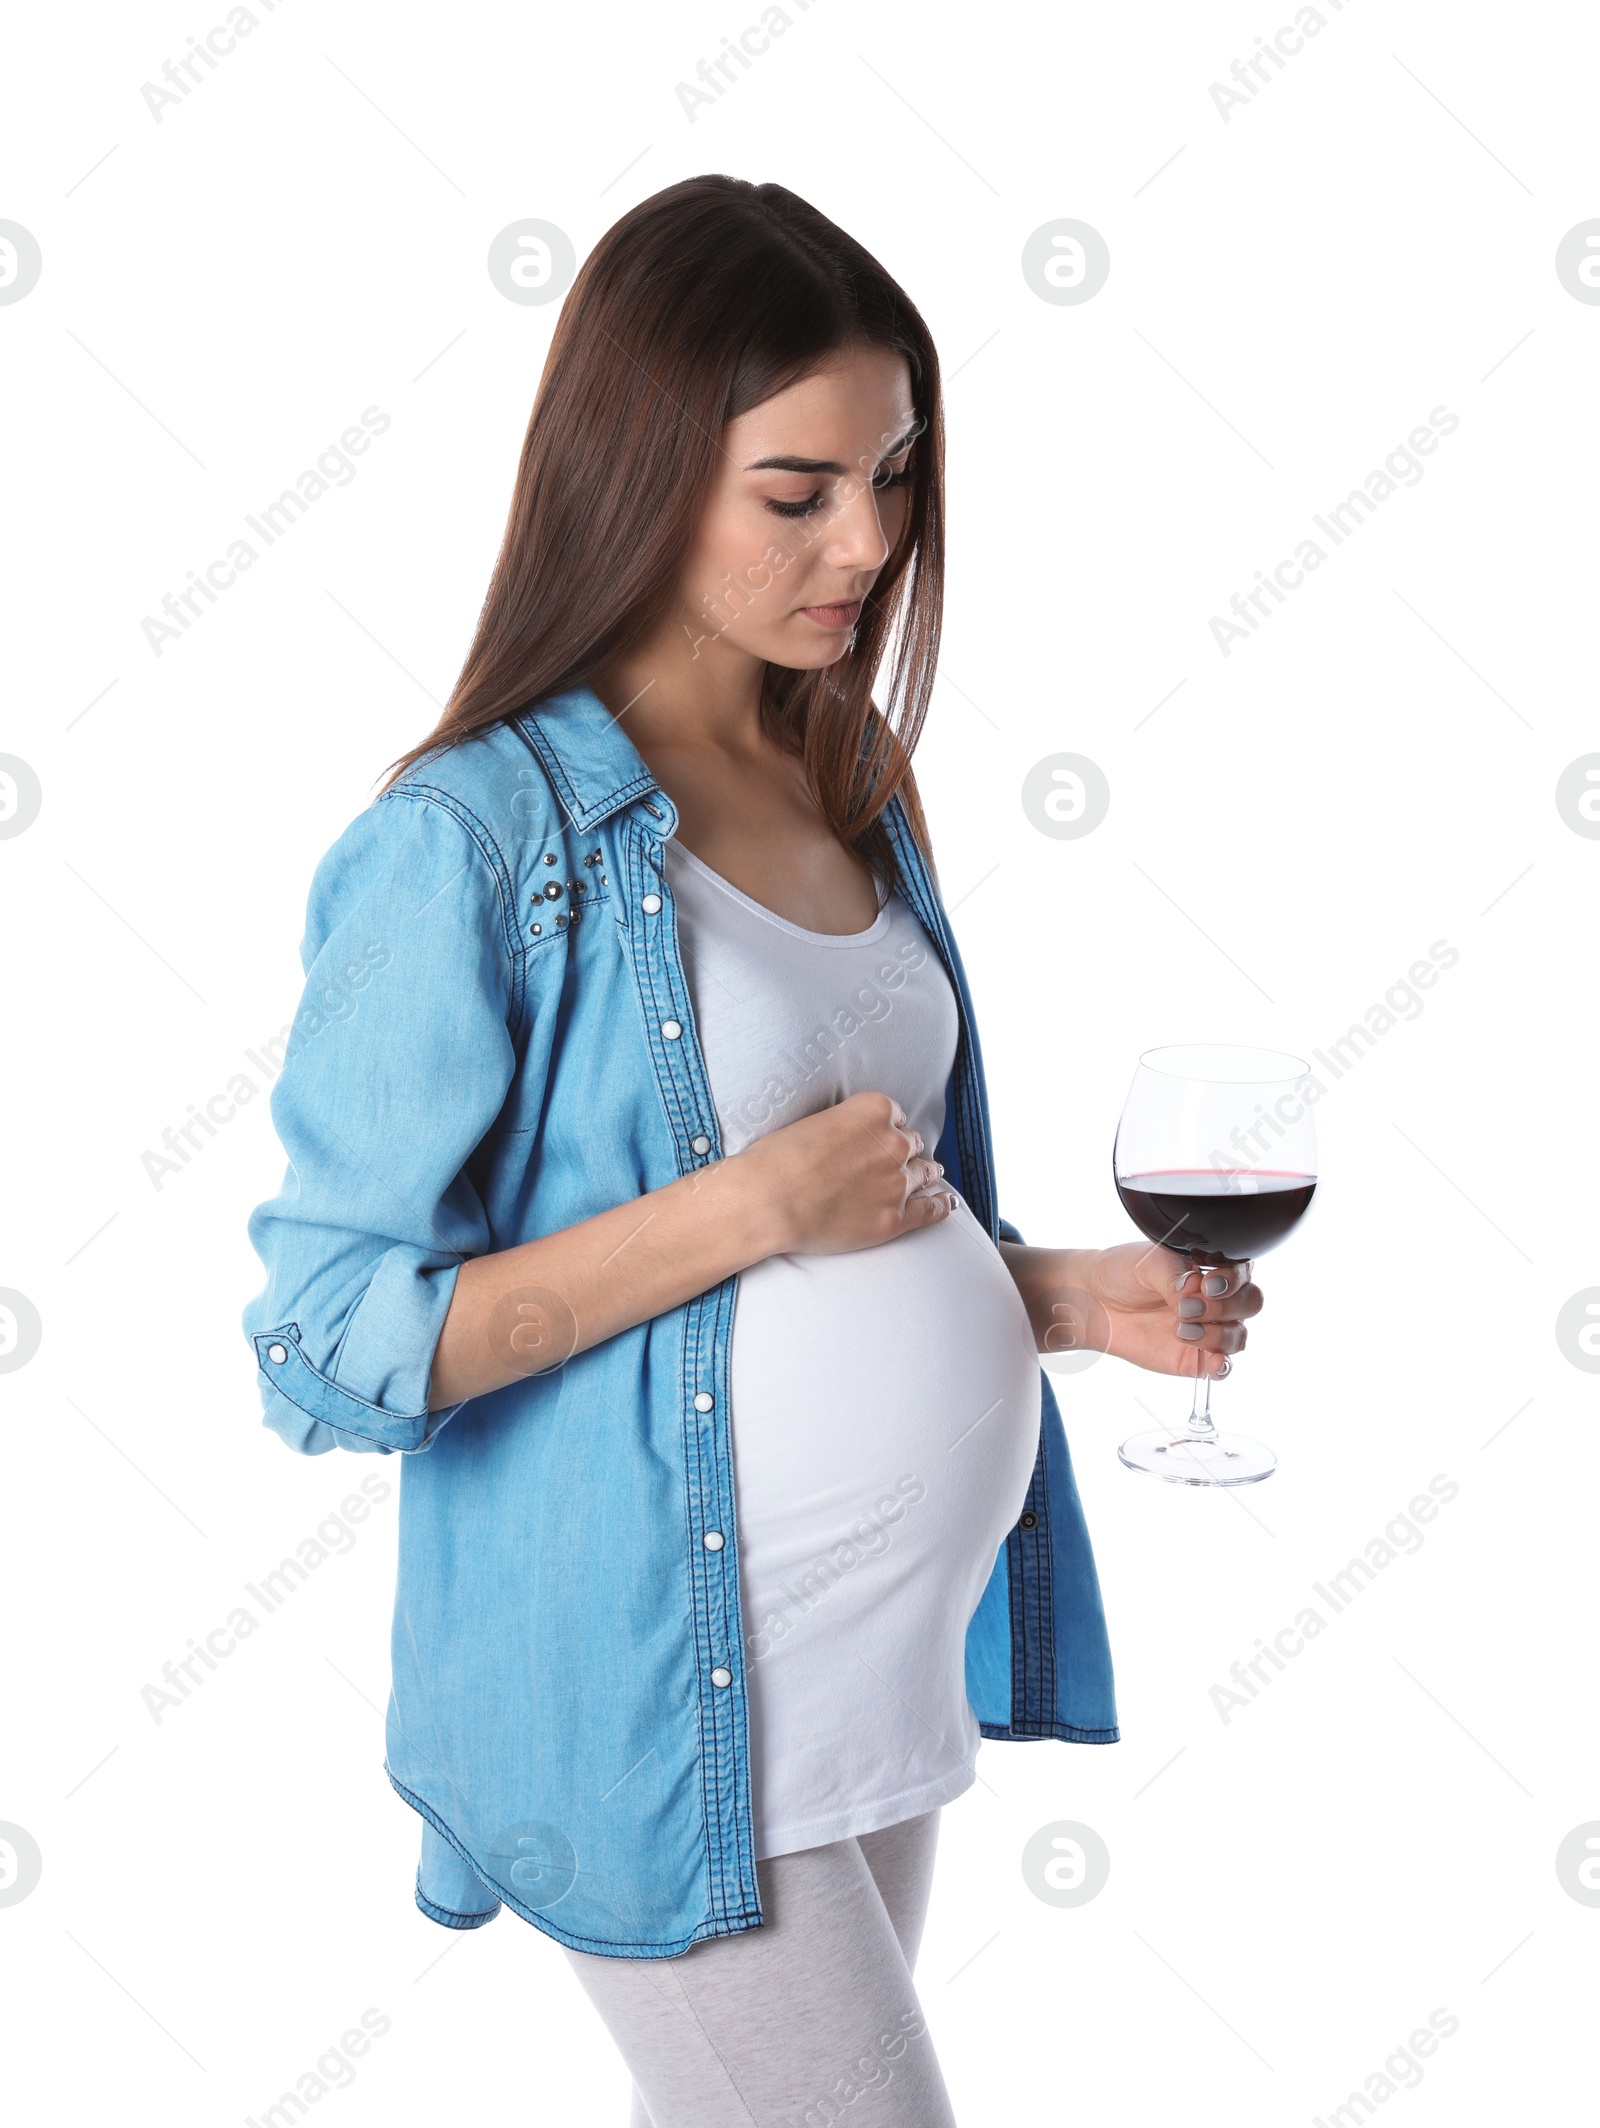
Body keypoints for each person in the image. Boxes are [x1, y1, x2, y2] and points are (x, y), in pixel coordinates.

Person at [245, 174, 1260, 2127]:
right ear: (635, 468)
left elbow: (861, 1213)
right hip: (656, 1699)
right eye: (795, 491)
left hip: (871, 1676)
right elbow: (324, 1344)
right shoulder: (469, 842)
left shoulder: (847, 774)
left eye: (890, 476)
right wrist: (735, 1207)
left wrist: (1050, 1294)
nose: (867, 541)